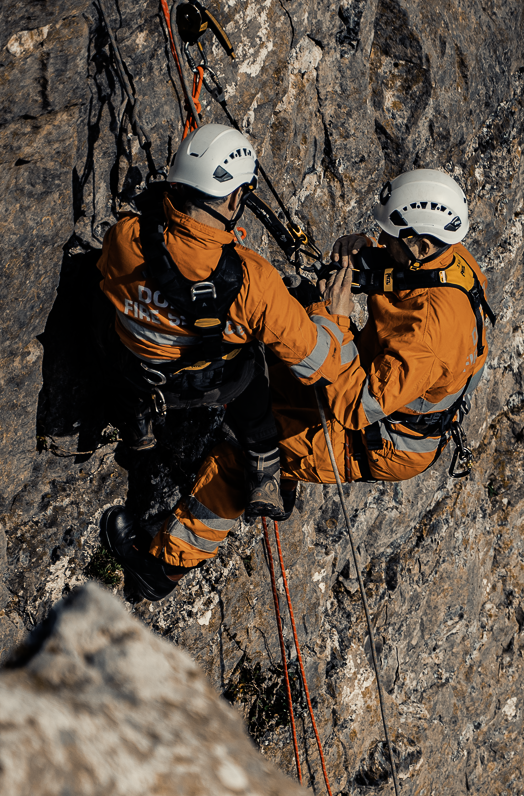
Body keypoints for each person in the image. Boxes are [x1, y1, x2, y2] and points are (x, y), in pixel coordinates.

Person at [112, 168, 492, 602]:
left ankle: (160, 568)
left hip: (376, 437)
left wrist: (335, 318)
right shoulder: (449, 261)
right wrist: (363, 255)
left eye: (391, 236)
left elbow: (354, 405)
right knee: (281, 354)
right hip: (375, 396)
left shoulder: (432, 334)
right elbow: (407, 279)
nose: (383, 240)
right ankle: (283, 477)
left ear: (421, 243)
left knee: (244, 454)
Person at [94, 123, 359, 601]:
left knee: (109, 334)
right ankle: (262, 456)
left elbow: (107, 280)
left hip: (137, 370)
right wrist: (332, 317)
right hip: (213, 387)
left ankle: (139, 429)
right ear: (235, 200)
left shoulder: (125, 239)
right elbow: (320, 364)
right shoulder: (253, 282)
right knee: (254, 363)